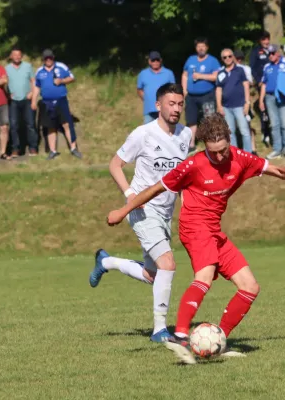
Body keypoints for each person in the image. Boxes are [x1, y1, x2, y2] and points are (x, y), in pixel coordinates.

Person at [106, 113, 285, 364]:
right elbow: (155, 188)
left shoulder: (241, 158)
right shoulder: (193, 165)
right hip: (194, 227)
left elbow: (278, 171)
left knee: (250, 287)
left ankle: (218, 340)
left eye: (223, 151)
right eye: (213, 153)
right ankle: (179, 335)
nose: (219, 157)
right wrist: (123, 211)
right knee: (205, 275)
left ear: (229, 141)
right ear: (204, 147)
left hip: (214, 230)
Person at [89, 83, 191, 343]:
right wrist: (129, 195)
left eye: (180, 104)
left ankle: (106, 261)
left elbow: (181, 177)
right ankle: (159, 330)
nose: (176, 108)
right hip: (143, 211)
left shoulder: (185, 136)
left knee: (153, 275)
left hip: (165, 214)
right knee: (168, 263)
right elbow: (115, 164)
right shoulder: (142, 134)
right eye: (171, 103)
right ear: (158, 105)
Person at [32, 49, 82, 160]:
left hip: (61, 100)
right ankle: (53, 151)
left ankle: (74, 148)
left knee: (67, 124)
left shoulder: (61, 66)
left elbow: (72, 78)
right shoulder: (40, 71)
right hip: (46, 102)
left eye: (50, 58)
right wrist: (34, 100)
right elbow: (36, 86)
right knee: (51, 127)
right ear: (43, 59)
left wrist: (62, 81)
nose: (48, 60)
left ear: (53, 57)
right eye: (46, 58)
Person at [259, 44, 285, 160]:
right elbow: (264, 84)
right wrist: (261, 100)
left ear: (277, 53)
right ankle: (277, 149)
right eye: (268, 54)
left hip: (282, 96)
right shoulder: (267, 66)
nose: (270, 56)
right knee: (274, 125)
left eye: (272, 53)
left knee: (284, 124)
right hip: (269, 97)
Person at [182, 37, 221, 153]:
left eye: (203, 46)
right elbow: (184, 75)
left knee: (209, 120)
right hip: (191, 96)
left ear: (207, 48)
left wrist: (201, 76)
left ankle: (212, 143)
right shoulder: (190, 59)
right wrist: (184, 90)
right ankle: (191, 145)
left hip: (207, 95)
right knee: (191, 120)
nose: (201, 48)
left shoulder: (213, 61)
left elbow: (216, 77)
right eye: (199, 46)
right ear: (196, 48)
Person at [216, 48, 251, 153]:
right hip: (226, 107)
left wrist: (247, 103)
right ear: (222, 59)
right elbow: (218, 89)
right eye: (225, 57)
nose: (227, 58)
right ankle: (235, 155)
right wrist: (219, 106)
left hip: (239, 105)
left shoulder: (240, 70)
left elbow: (246, 85)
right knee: (230, 132)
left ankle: (248, 155)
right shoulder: (220, 73)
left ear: (233, 57)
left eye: (230, 56)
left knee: (244, 131)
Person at [5, 46, 38, 157]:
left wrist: (32, 94)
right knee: (14, 125)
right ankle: (16, 148)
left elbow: (33, 81)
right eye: (15, 55)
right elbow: (4, 83)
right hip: (13, 101)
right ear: (11, 56)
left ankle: (33, 147)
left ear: (21, 56)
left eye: (19, 55)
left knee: (30, 124)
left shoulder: (28, 66)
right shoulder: (7, 68)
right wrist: (7, 94)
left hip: (26, 99)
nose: (17, 57)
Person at [137, 51, 176, 124]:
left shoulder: (168, 73)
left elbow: (173, 89)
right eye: (153, 60)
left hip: (165, 108)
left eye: (157, 60)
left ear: (160, 60)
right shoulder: (143, 74)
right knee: (148, 132)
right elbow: (139, 89)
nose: (155, 62)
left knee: (165, 131)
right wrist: (146, 98)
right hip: (149, 110)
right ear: (149, 61)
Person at [249, 31, 272, 148]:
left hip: (274, 85)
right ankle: (265, 132)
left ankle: (275, 132)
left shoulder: (273, 50)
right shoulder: (255, 52)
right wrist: (258, 81)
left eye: (267, 39)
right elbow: (252, 68)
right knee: (264, 109)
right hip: (262, 84)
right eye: (264, 39)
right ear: (260, 41)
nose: (266, 42)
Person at [234, 50, 258, 155]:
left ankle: (252, 150)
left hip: (243, 102)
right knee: (233, 128)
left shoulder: (246, 68)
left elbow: (250, 82)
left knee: (247, 126)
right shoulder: (225, 69)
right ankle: (236, 150)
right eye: (237, 58)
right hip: (231, 103)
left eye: (241, 58)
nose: (239, 60)